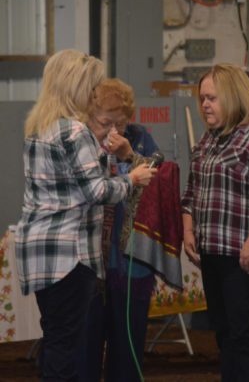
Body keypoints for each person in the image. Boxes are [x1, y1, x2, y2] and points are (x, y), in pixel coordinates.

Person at [14, 50, 157, 382]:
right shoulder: (75, 132)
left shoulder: (39, 127)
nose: (94, 94)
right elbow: (95, 192)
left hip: (41, 254)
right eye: (91, 87)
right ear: (76, 87)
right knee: (66, 349)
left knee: (56, 344)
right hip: (70, 255)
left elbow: (71, 183)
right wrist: (131, 178)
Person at [181, 63, 249, 382]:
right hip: (214, 256)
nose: (205, 105)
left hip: (248, 258)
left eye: (212, 98)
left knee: (247, 338)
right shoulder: (208, 140)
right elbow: (190, 193)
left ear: (233, 97)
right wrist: (189, 230)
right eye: (202, 98)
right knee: (226, 336)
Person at [78, 78, 160, 382]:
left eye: (121, 123)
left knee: (126, 356)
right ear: (89, 117)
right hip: (88, 266)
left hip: (130, 268)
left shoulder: (140, 139)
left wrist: (128, 156)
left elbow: (160, 188)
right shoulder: (80, 140)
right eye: (105, 122)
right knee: (83, 351)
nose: (114, 130)